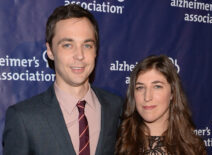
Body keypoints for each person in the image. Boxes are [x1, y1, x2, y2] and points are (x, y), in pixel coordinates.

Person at [2, 4, 123, 155]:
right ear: (50, 51)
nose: (79, 55)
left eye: (87, 45)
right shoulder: (23, 118)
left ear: (95, 51)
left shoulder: (116, 107)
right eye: (67, 45)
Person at [115, 55, 207, 155]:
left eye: (157, 86)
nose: (147, 97)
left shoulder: (192, 146)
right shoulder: (119, 142)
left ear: (172, 93)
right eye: (140, 87)